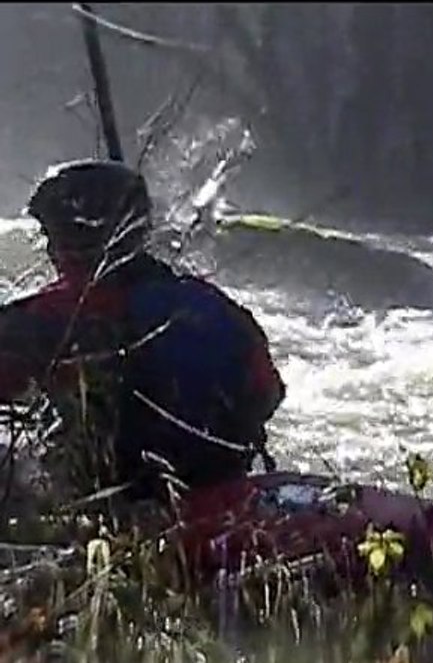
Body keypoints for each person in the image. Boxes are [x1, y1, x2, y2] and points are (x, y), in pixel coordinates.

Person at [0, 159, 285, 504]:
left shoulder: (52, 316)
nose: (49, 251)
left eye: (53, 237)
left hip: (117, 500)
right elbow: (268, 393)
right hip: (217, 492)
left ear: (75, 239)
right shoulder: (209, 303)